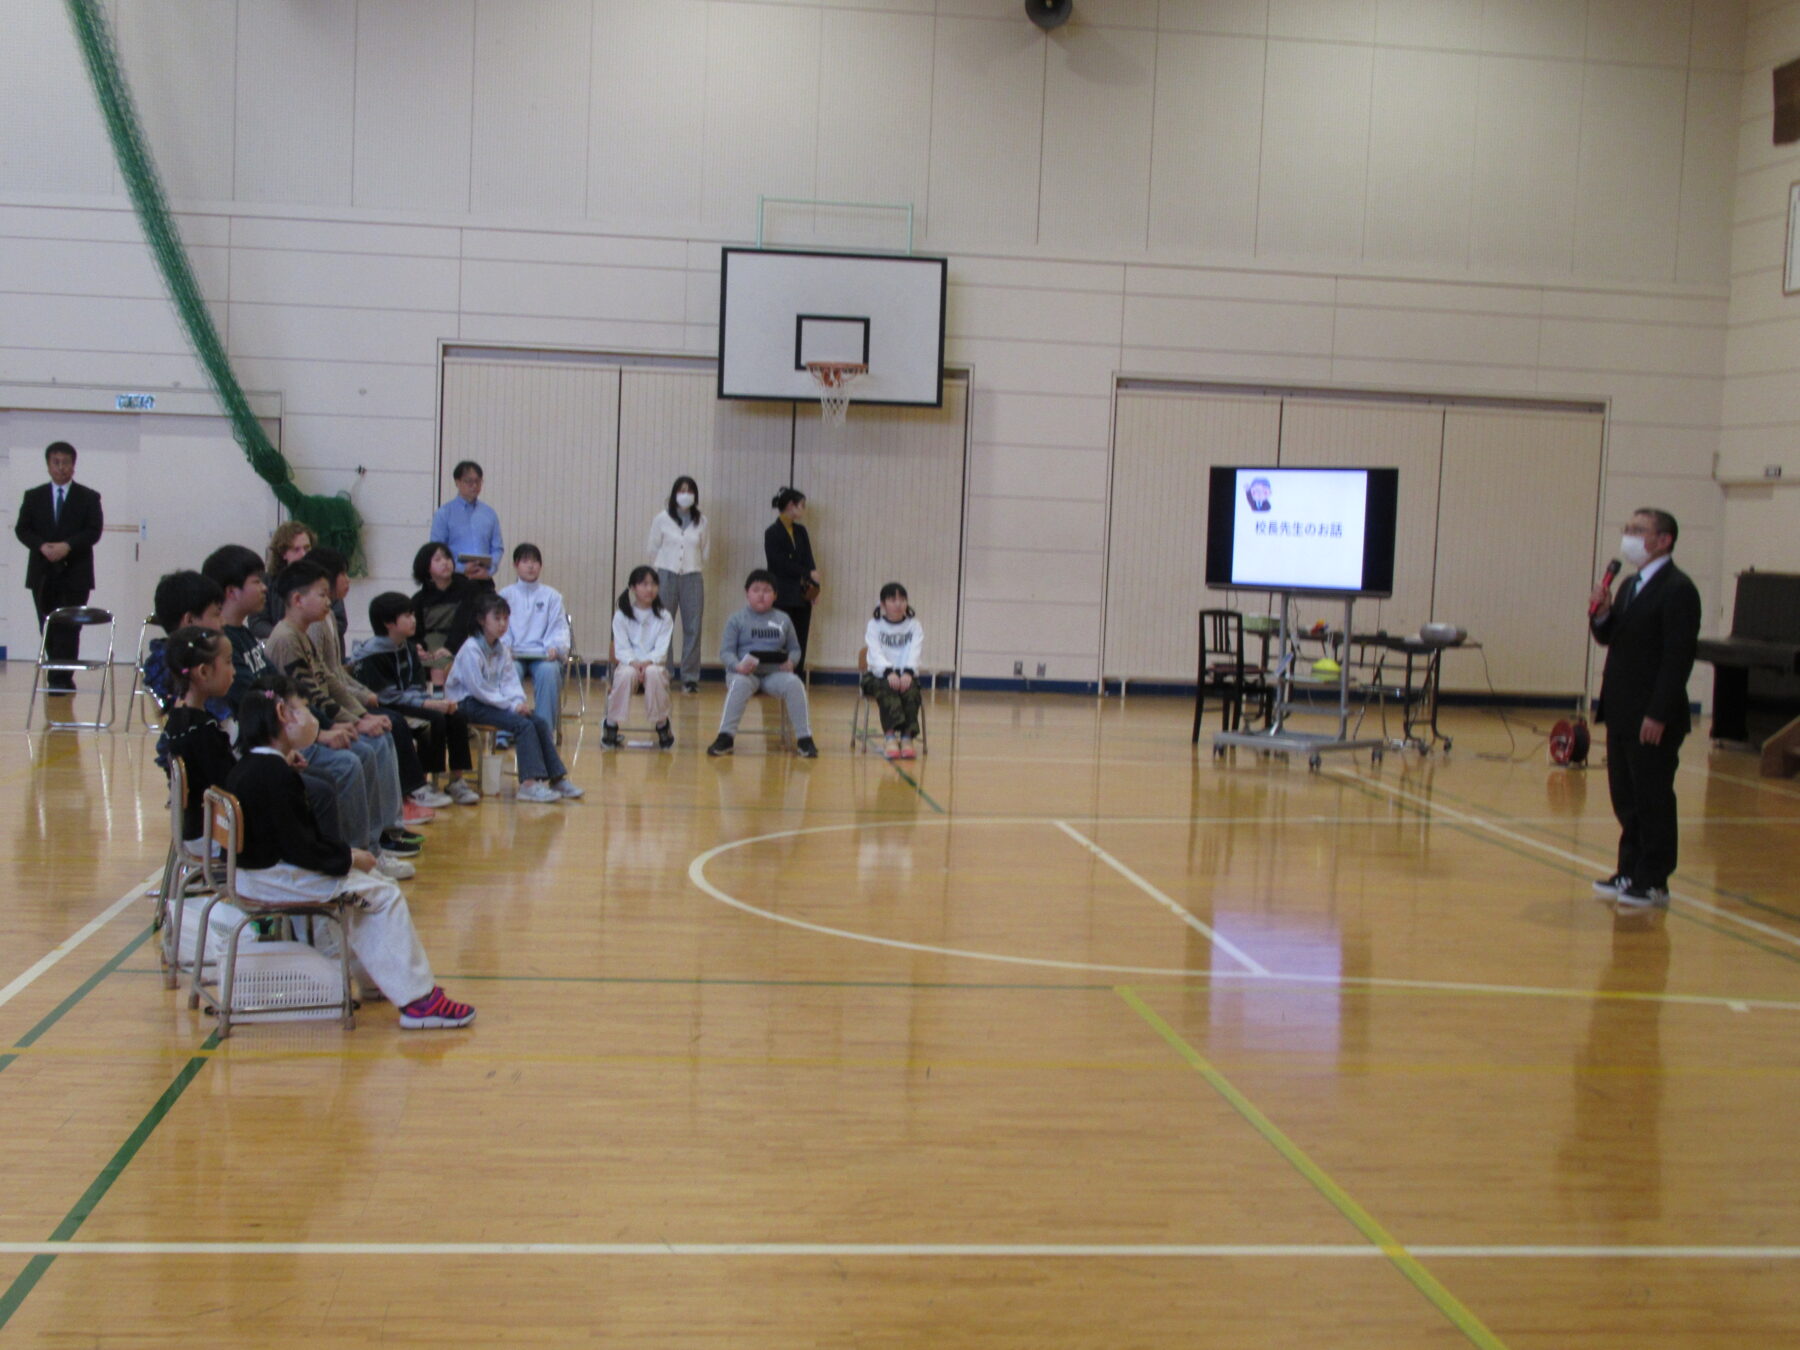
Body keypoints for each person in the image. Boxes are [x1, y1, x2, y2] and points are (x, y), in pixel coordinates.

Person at [226, 672, 476, 1029]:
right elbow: (303, 849)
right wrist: (348, 856)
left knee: (368, 885)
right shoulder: (274, 776)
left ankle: (381, 983)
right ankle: (419, 1002)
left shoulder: (252, 767)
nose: (310, 716)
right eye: (302, 707)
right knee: (383, 896)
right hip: (275, 878)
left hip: (257, 873)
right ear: (283, 714)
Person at [202, 543, 402, 877]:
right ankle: (357, 855)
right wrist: (319, 734)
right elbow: (261, 701)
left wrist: (351, 719)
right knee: (349, 763)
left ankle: (373, 842)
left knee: (372, 744)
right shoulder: (246, 642)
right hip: (274, 742)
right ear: (232, 591)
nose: (265, 587)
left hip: (285, 738)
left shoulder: (249, 637)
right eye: (256, 581)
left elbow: (292, 686)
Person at [265, 561, 420, 874]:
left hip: (316, 724)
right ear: (297, 600)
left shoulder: (303, 635)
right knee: (354, 758)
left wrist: (360, 715)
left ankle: (381, 837)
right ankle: (358, 853)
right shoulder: (285, 638)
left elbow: (330, 681)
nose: (328, 601)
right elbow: (310, 696)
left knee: (377, 738)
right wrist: (340, 725)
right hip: (301, 735)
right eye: (322, 595)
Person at [1588, 508, 1702, 910]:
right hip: (1621, 709)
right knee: (1626, 796)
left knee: (1653, 797)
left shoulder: (1678, 589)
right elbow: (1611, 636)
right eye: (1628, 528)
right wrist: (1601, 614)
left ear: (1664, 539)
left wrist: (1658, 713)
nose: (1630, 536)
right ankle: (1629, 869)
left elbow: (1677, 658)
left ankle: (1654, 879)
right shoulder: (1630, 584)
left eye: (1639, 530)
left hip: (1652, 715)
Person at [303, 547, 447, 812]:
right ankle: (407, 793)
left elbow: (335, 671)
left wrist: (363, 696)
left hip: (345, 699)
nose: (348, 580)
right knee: (393, 723)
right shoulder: (314, 624)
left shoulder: (330, 618)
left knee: (404, 720)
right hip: (328, 709)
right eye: (343, 574)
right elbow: (325, 679)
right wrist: (361, 706)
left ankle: (410, 793)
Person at [446, 590, 584, 803]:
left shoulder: (501, 649)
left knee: (537, 721)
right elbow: (479, 689)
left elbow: (509, 681)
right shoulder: (471, 649)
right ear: (482, 620)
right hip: (467, 703)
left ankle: (556, 779)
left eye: (505, 618)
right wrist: (510, 707)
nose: (502, 624)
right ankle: (528, 784)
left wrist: (518, 702)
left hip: (490, 701)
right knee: (523, 725)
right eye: (497, 618)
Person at [354, 592, 481, 805]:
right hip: (386, 706)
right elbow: (386, 695)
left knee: (456, 716)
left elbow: (417, 685)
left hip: (408, 702)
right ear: (388, 623)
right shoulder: (371, 655)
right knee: (433, 720)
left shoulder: (409, 648)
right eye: (407, 615)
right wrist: (429, 704)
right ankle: (420, 786)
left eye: (413, 614)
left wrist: (435, 702)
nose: (413, 620)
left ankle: (456, 781)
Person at [13, 441, 103, 691]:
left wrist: (68, 546)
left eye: (66, 463)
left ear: (73, 466)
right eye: (56, 462)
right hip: (42, 573)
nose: (61, 467)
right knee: (48, 626)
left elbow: (93, 532)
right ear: (48, 465)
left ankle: (62, 680)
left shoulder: (88, 497)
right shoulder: (34, 496)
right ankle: (55, 674)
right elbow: (22, 529)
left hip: (75, 573)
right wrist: (42, 546)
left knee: (70, 628)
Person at [707, 569, 817, 759]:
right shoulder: (736, 620)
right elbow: (726, 652)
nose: (761, 595)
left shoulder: (783, 619)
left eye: (766, 591)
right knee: (739, 684)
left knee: (795, 684)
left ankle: (804, 739)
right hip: (745, 673)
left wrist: (792, 661)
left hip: (774, 674)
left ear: (775, 595)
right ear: (747, 593)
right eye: (756, 590)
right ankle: (725, 737)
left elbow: (795, 649)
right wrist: (738, 666)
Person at [160, 625, 240, 851]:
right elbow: (230, 786)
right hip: (212, 832)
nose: (233, 671)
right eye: (228, 662)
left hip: (200, 826)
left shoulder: (180, 721)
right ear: (203, 671)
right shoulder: (201, 732)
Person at [498, 543, 569, 731]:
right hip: (514, 653)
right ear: (515, 565)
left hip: (543, 654)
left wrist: (555, 647)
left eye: (535, 561)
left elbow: (559, 627)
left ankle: (543, 731)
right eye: (525, 561)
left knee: (549, 671)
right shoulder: (505, 595)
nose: (531, 566)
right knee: (508, 669)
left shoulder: (552, 596)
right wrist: (505, 646)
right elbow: (499, 628)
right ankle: (506, 731)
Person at [647, 476, 708, 694]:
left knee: (693, 626)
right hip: (666, 574)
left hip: (692, 575)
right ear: (674, 493)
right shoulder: (662, 519)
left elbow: (705, 550)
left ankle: (690, 677)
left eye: (690, 490)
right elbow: (653, 547)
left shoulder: (702, 521)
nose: (685, 494)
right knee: (665, 624)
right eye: (681, 490)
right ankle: (665, 672)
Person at [607, 566, 674, 750]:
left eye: (653, 584)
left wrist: (647, 662)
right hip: (629, 663)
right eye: (644, 584)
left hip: (653, 663)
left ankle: (662, 724)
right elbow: (621, 648)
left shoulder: (665, 617)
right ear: (633, 588)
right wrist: (634, 663)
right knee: (625, 675)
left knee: (654, 674)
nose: (649, 589)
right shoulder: (621, 616)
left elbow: (662, 649)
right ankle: (611, 724)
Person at [863, 582, 925, 761]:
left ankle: (907, 738)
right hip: (877, 675)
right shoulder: (874, 625)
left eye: (902, 599)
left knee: (911, 691)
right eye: (892, 600)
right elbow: (875, 652)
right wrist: (888, 672)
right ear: (882, 604)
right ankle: (889, 737)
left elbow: (915, 651)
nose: (898, 604)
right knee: (887, 689)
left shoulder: (914, 626)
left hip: (905, 674)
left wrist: (907, 673)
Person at [411, 541, 484, 689]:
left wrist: (450, 647)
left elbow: (463, 623)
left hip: (459, 642)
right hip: (429, 644)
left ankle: (440, 703)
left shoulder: (468, 588)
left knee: (439, 665)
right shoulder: (418, 598)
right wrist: (418, 647)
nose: (445, 563)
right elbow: (414, 630)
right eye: (438, 559)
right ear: (426, 567)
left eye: (447, 558)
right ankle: (420, 703)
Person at [763, 487, 819, 677]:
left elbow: (809, 560)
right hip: (783, 593)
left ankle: (797, 676)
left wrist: (814, 588)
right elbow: (778, 564)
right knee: (781, 636)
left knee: (800, 637)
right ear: (790, 506)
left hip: (802, 593)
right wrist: (806, 572)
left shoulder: (801, 531)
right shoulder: (772, 532)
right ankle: (778, 675)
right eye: (801, 505)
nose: (803, 510)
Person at [429, 460, 502, 580]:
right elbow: (436, 549)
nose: (474, 485)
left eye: (478, 481)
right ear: (457, 482)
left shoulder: (489, 513)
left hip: (483, 578)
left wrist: (489, 570)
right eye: (469, 481)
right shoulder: (444, 513)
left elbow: (497, 548)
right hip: (454, 578)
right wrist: (461, 568)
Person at [251, 521, 315, 640]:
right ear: (283, 553)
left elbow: (339, 620)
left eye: (307, 548)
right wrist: (285, 636)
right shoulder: (268, 582)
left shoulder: (323, 580)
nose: (304, 554)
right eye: (296, 549)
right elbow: (257, 622)